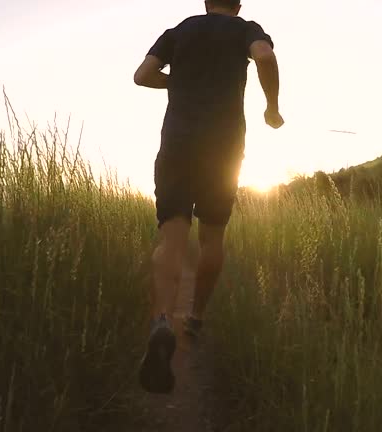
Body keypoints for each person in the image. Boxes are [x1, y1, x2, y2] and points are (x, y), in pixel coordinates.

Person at [133, 0, 283, 394]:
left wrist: (179, 81)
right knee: (212, 237)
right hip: (224, 148)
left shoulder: (179, 30)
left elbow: (142, 76)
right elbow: (265, 56)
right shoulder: (245, 29)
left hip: (177, 144)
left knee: (173, 235)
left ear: (205, 2)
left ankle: (161, 319)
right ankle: (195, 317)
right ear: (237, 5)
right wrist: (272, 107)